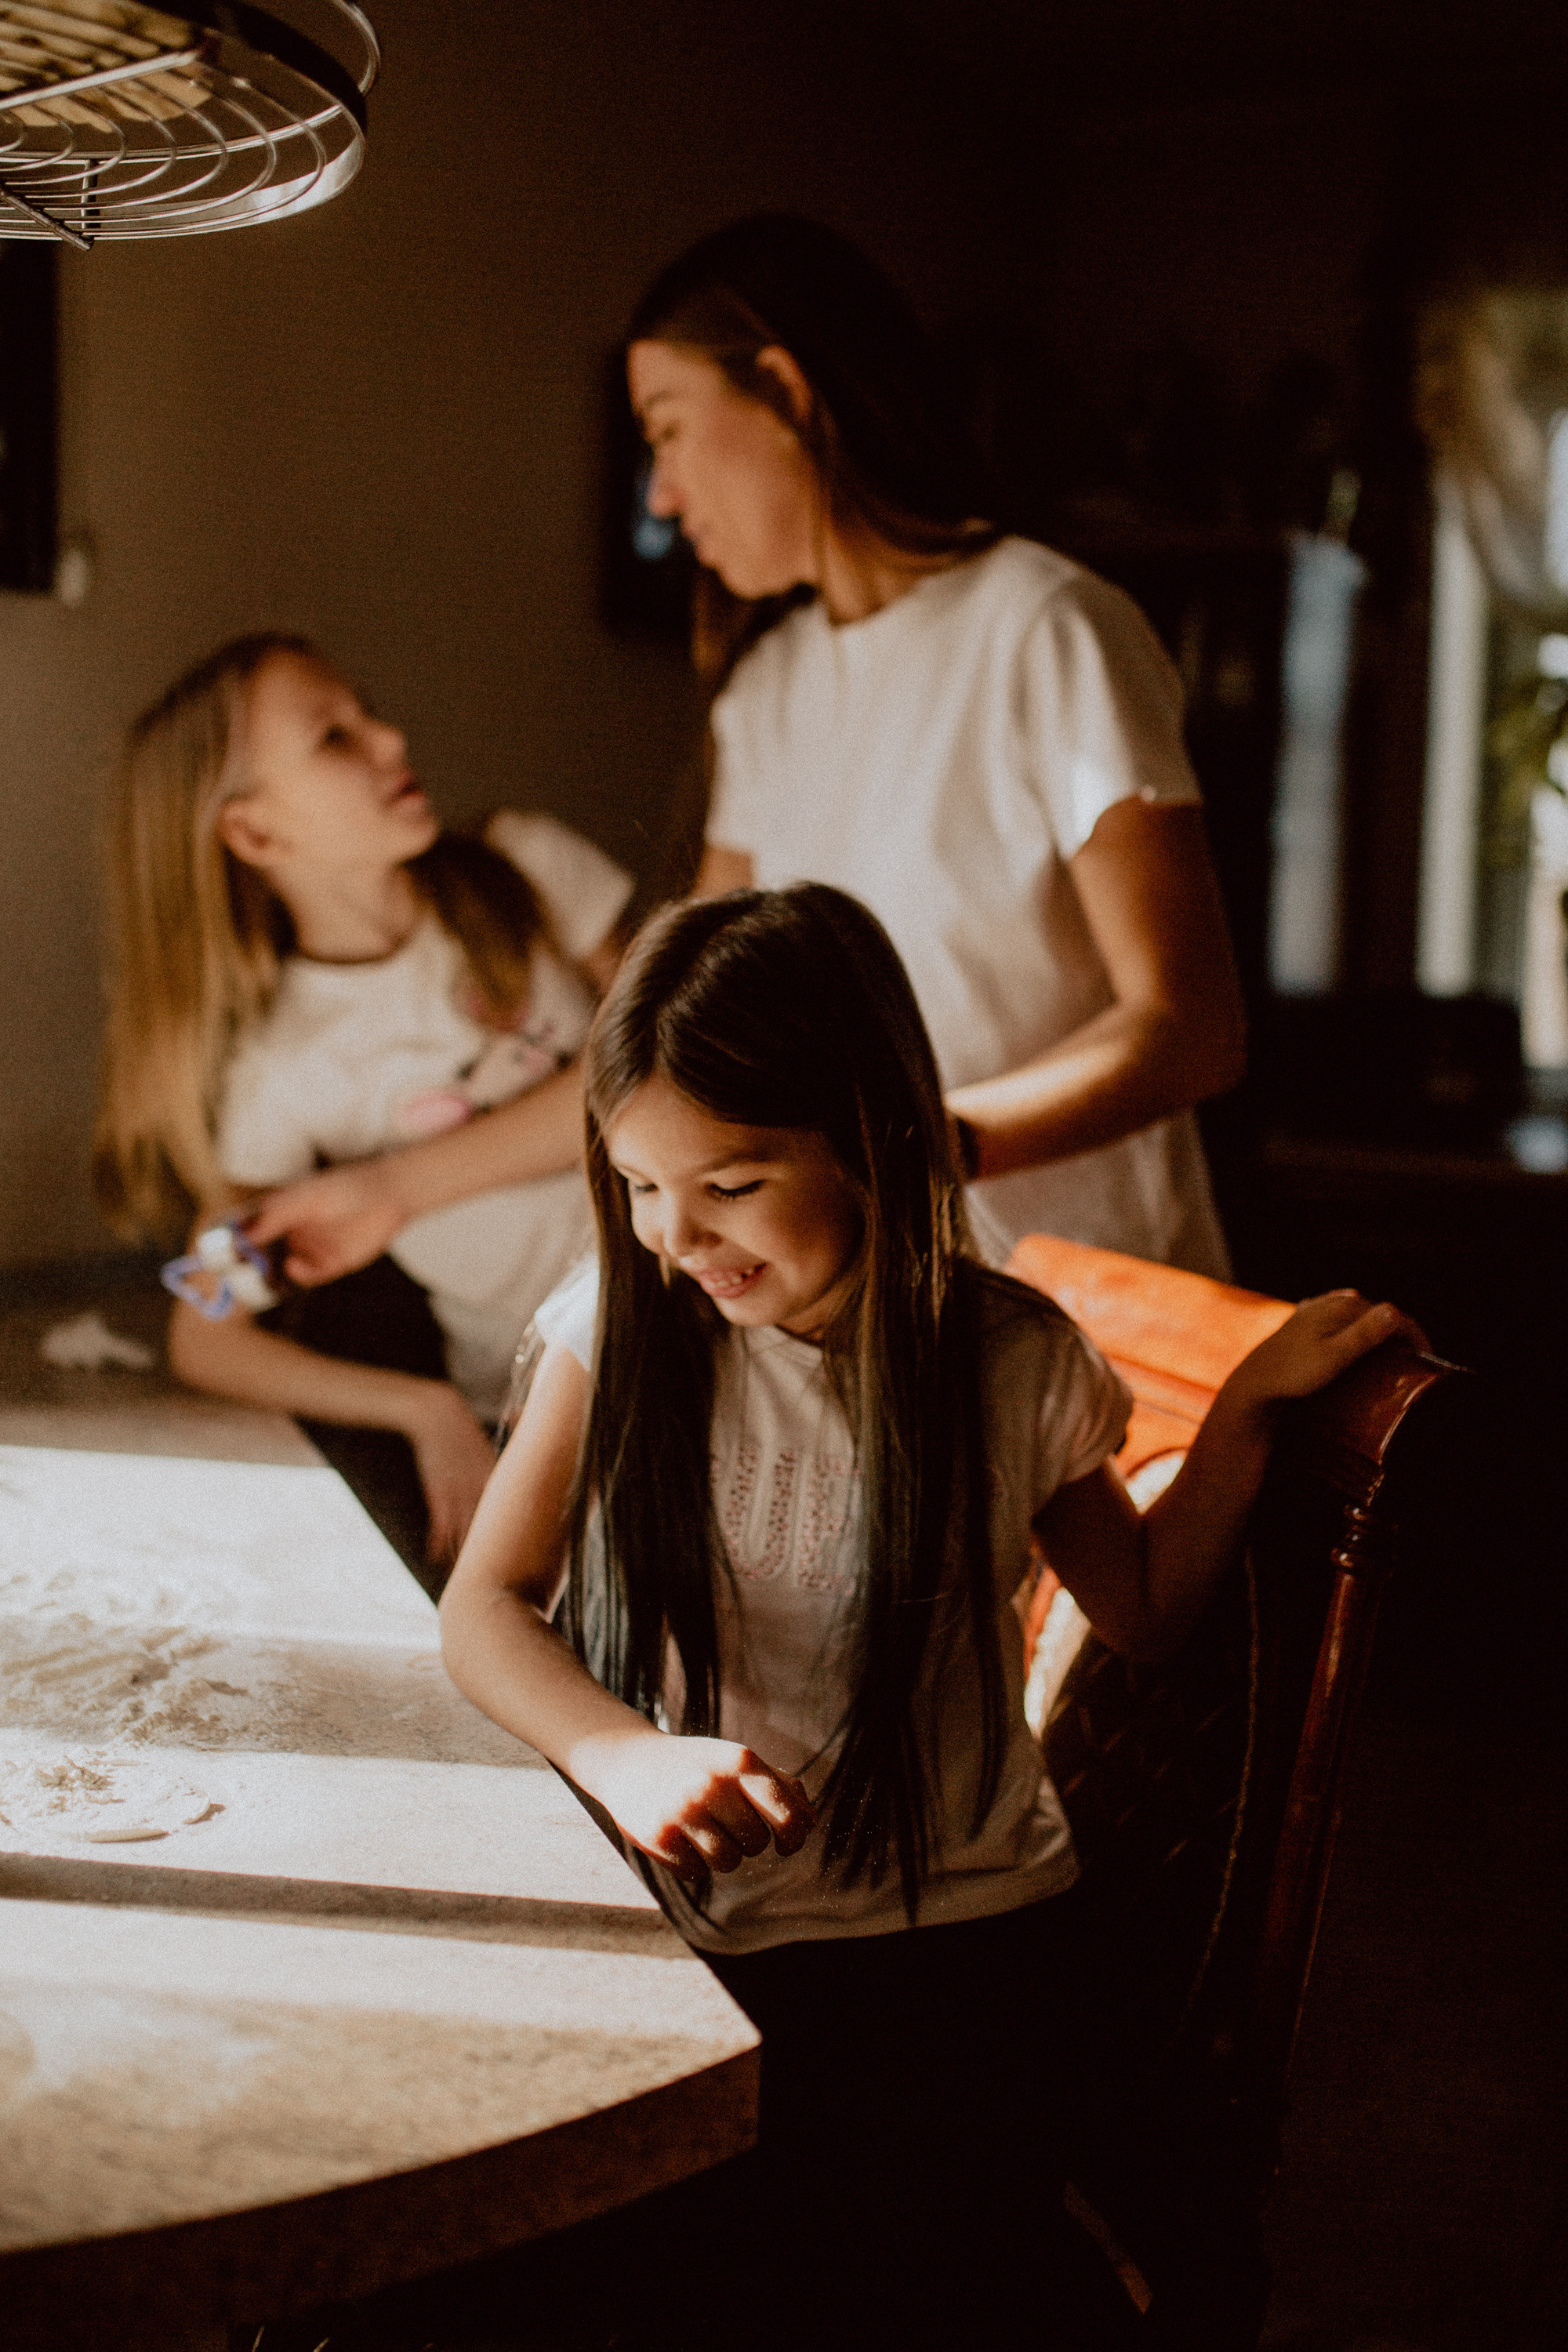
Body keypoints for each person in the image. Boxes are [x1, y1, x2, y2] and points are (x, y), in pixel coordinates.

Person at [438, 884, 1406, 2349]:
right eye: (639, 1184)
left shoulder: (1009, 1363)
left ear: (875, 1136)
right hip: (701, 1943)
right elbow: (483, 1610)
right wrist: (621, 1753)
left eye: (733, 1184)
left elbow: (1143, 1614)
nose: (673, 1235)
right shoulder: (620, 1327)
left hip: (953, 1964)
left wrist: (1243, 1422)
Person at [241, 215, 1246, 1298]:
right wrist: (389, 1192)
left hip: (1082, 1306)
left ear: (783, 390)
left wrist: (924, 1149)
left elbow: (1188, 1029)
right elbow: (686, 1047)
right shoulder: (769, 696)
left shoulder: (1045, 625)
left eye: (667, 431)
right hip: (861, 1315)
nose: (663, 496)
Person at [93, 633, 633, 1569]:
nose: (388, 737)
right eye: (335, 738)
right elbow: (205, 1331)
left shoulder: (529, 865)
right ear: (255, 833)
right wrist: (423, 1411)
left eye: (366, 709)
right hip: (559, 1420)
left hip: (714, 1330)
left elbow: (671, 1061)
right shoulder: (280, 1078)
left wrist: (391, 1185)